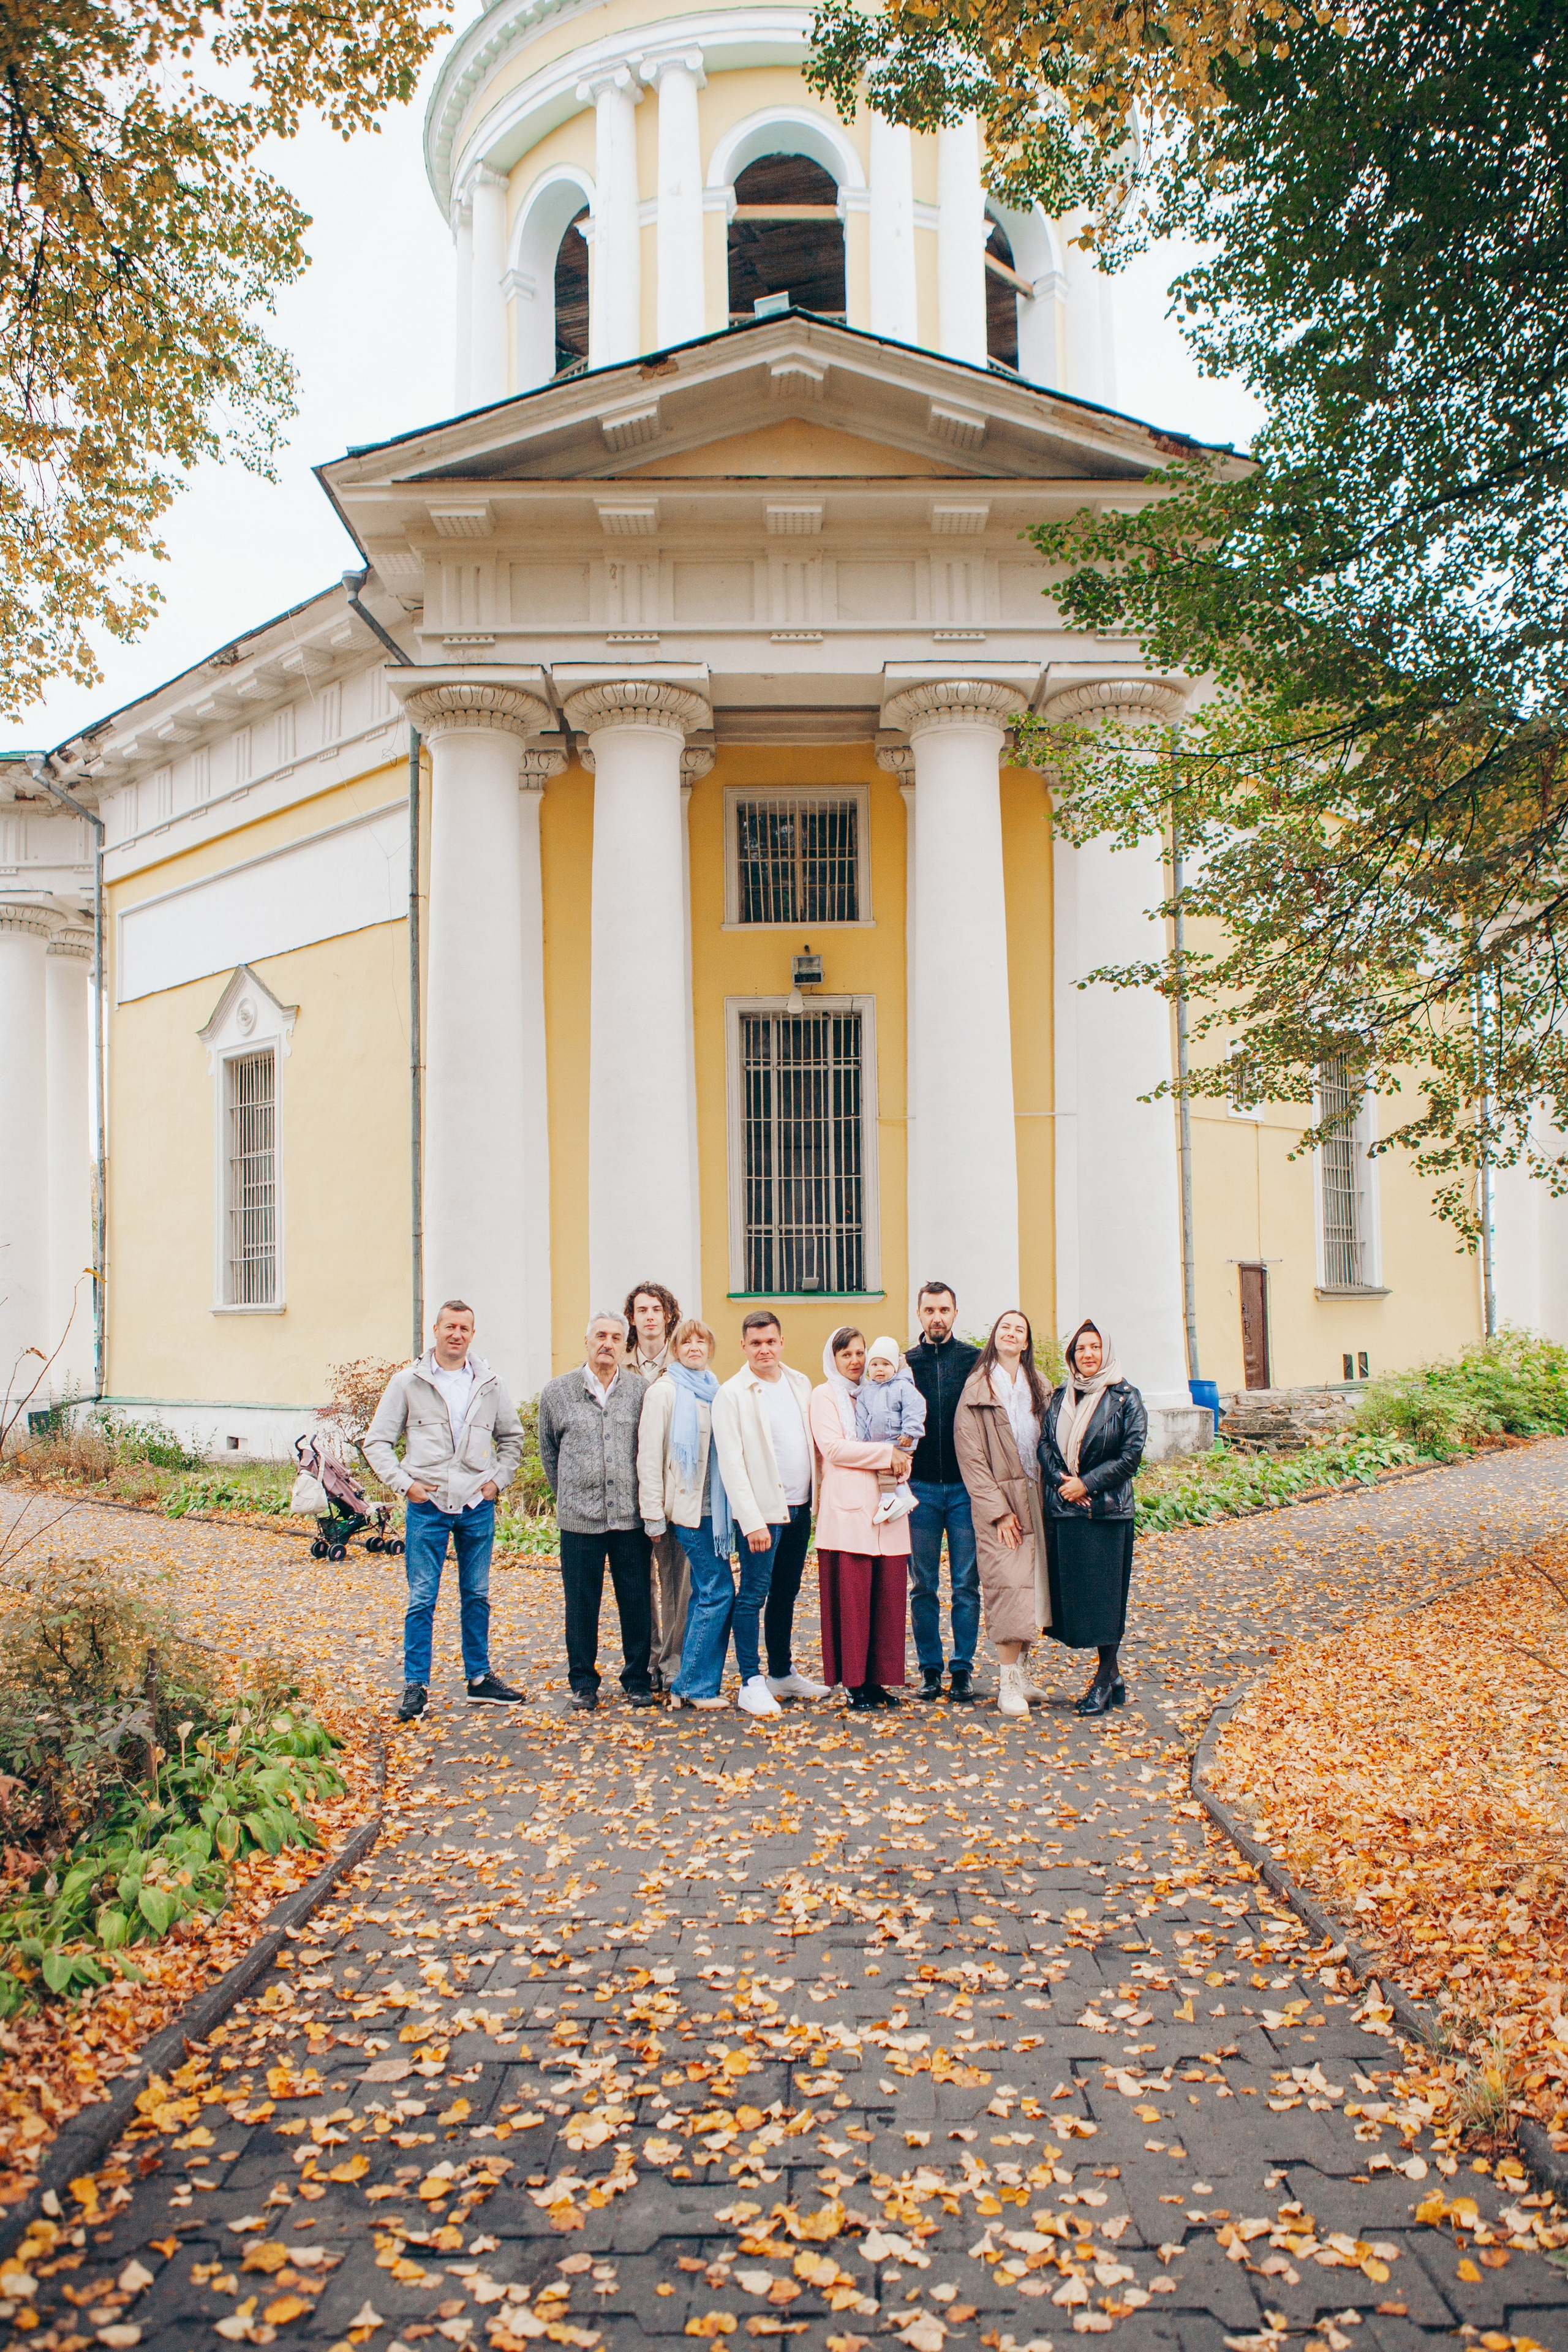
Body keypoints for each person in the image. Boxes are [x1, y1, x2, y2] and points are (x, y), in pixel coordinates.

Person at [364, 1299, 529, 1722]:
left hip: (476, 1504)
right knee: (422, 1598)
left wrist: (497, 1482)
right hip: (429, 1504)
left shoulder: (489, 1383)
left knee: (477, 1595)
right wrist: (406, 1485)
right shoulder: (408, 1382)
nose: (457, 1334)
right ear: (435, 1330)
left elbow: (512, 1438)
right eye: (450, 1326)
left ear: (473, 1335)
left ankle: (479, 1679)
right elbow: (377, 1442)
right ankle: (416, 1685)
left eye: (465, 1328)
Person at [538, 1310, 657, 1713]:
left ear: (626, 1345)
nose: (607, 1343)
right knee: (581, 1603)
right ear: (587, 1342)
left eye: (616, 1337)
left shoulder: (642, 1392)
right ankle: (584, 1682)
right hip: (579, 1521)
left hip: (630, 1518)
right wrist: (570, 1495)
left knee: (637, 1600)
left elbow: (650, 1449)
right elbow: (549, 1453)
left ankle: (637, 1679)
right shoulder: (557, 1393)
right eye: (600, 1336)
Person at [711, 1310, 825, 1716]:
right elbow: (732, 1463)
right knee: (752, 1597)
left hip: (799, 1509)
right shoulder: (733, 1393)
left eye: (771, 1341)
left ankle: (781, 1672)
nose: (764, 1349)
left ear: (781, 1343)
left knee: (786, 1594)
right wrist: (752, 1519)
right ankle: (751, 1681)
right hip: (762, 1516)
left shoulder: (799, 1383)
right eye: (756, 1343)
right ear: (744, 1346)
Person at [1038, 1319, 1147, 1716]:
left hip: (1106, 1512)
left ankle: (1103, 1680)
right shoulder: (1060, 1396)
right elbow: (1045, 1445)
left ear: (1106, 1353)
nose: (1088, 1355)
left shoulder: (1125, 1397)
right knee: (1082, 1601)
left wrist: (1087, 1484)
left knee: (1106, 1599)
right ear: (1072, 1355)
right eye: (1081, 1348)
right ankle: (1114, 1677)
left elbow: (1130, 1457)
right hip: (1066, 1510)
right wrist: (1061, 1481)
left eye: (1095, 1348)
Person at [636, 1316, 741, 1710]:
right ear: (676, 1351)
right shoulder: (665, 1392)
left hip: (717, 1511)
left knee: (704, 1593)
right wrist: (652, 1516)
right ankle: (692, 1686)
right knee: (718, 1592)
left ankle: (692, 1683)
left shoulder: (715, 1390)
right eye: (687, 1343)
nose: (695, 1348)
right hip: (687, 1510)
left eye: (702, 1342)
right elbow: (649, 1457)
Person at [954, 1310, 1052, 1719]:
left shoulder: (1040, 1384)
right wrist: (998, 1512)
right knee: (1007, 1586)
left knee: (1033, 1590)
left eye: (1020, 1329)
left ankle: (1024, 1674)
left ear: (1026, 1342)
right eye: (1005, 1327)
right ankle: (1006, 1682)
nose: (1011, 1334)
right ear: (994, 1337)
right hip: (1000, 1503)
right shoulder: (977, 1387)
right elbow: (971, 1456)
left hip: (1038, 1497)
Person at [810, 1329, 915, 1708]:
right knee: (853, 1602)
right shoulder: (825, 1396)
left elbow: (904, 1436)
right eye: (846, 1355)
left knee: (886, 1600)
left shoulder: (881, 1391)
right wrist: (888, 1454)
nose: (855, 1361)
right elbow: (835, 1449)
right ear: (833, 1359)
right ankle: (855, 1683)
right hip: (849, 1513)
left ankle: (878, 1680)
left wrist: (901, 1457)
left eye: (860, 1353)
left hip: (888, 1507)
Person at [905, 1281, 982, 1702]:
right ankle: (930, 1670)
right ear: (919, 1314)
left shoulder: (974, 1361)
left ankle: (963, 1669)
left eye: (945, 1310)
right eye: (930, 1310)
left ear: (955, 1313)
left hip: (965, 1489)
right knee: (923, 1586)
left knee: (967, 1584)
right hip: (920, 1491)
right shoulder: (905, 1363)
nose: (937, 1317)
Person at [622, 1279, 688, 1693]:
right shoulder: (618, 1362)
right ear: (632, 1317)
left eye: (656, 1310)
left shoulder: (685, 1363)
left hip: (674, 1491)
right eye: (641, 1310)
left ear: (668, 1316)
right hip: (629, 1492)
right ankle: (647, 1660)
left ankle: (674, 1662)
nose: (649, 1317)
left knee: (677, 1580)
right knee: (636, 1582)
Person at [856, 1338, 925, 1523]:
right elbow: (862, 1419)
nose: (880, 1369)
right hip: (879, 1444)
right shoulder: (866, 1392)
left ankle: (888, 1501)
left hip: (900, 1440)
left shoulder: (902, 1387)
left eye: (886, 1364)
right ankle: (903, 1496)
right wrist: (862, 1442)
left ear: (895, 1367)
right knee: (888, 1468)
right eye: (875, 1364)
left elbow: (915, 1408)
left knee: (886, 1470)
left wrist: (910, 1432)